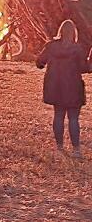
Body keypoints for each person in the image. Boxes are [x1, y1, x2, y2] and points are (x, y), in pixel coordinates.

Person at [36, 19, 91, 159]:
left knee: (58, 116)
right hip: (73, 87)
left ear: (60, 32)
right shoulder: (77, 49)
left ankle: (60, 147)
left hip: (55, 87)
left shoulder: (51, 46)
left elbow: (39, 63)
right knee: (73, 118)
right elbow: (84, 69)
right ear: (74, 33)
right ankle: (76, 150)